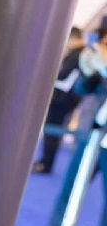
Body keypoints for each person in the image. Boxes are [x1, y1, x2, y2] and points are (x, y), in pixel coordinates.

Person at [41, 27, 107, 226]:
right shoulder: (99, 54)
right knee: (68, 194)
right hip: (91, 135)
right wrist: (90, 71)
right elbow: (82, 89)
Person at [32, 27, 87, 174]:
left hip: (62, 100)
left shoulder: (77, 53)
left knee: (52, 131)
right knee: (53, 131)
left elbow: (62, 74)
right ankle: (45, 162)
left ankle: (46, 164)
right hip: (67, 99)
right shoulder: (80, 53)